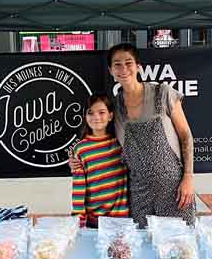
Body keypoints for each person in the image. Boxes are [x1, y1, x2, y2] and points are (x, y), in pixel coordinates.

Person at [70, 44, 196, 227]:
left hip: (174, 188)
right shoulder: (116, 106)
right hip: (138, 191)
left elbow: (186, 136)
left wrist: (188, 177)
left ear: (138, 67)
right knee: (141, 245)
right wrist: (76, 159)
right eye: (117, 64)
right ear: (111, 70)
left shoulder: (163, 93)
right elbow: (103, 143)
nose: (123, 69)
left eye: (128, 63)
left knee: (179, 245)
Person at [71, 94, 129, 228]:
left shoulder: (120, 143)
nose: (96, 117)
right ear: (85, 117)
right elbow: (78, 187)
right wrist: (78, 221)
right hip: (94, 221)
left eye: (101, 112)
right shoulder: (81, 149)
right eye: (90, 113)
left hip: (121, 219)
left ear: (110, 115)